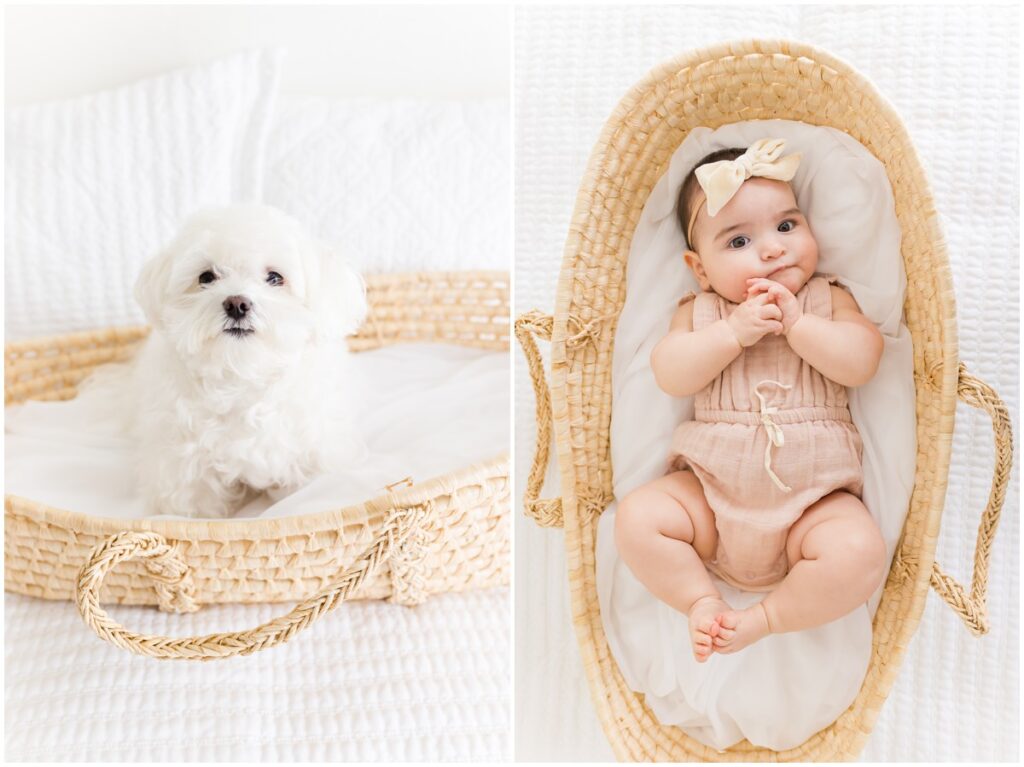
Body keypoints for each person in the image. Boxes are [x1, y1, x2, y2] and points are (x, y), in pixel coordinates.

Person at [614, 139, 888, 662]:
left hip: (813, 506)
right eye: (739, 241)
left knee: (858, 551)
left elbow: (863, 360)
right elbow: (670, 373)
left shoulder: (827, 299)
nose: (771, 249)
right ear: (700, 269)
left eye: (787, 226)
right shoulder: (700, 312)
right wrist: (732, 334)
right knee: (638, 516)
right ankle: (701, 600)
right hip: (710, 503)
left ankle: (764, 619)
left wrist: (801, 326)